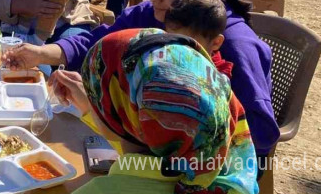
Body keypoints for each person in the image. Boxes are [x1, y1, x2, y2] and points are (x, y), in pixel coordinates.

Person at [2, 0, 280, 157]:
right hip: (144, 138)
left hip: (199, 165)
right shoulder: (151, 13)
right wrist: (42, 53)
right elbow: (98, 41)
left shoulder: (235, 44)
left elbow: (261, 136)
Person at [52, 28, 258, 194]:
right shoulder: (221, 170)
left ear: (124, 117)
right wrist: (92, 106)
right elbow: (142, 146)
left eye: (97, 96)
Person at [164, 0, 234, 78]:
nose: (177, 50)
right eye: (171, 41)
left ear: (216, 42)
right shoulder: (161, 60)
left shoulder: (217, 78)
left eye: (188, 45)